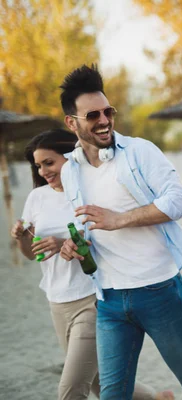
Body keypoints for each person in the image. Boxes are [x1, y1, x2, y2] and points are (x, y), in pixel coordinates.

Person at [56, 65, 182, 400]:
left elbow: (180, 201)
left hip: (158, 291)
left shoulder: (139, 151)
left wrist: (120, 219)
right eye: (92, 115)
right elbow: (89, 224)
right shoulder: (71, 170)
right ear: (72, 122)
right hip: (109, 300)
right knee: (113, 395)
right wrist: (76, 243)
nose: (103, 120)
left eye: (107, 111)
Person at [11, 129, 173, 400]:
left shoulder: (92, 192)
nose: (42, 172)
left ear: (70, 156)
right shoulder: (37, 197)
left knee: (71, 389)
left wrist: (63, 240)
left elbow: (108, 241)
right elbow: (31, 254)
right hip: (57, 302)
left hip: (93, 300)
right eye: (38, 166)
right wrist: (21, 238)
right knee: (99, 382)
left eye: (49, 163)